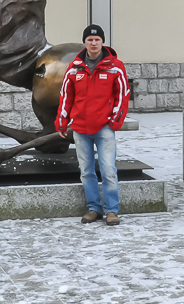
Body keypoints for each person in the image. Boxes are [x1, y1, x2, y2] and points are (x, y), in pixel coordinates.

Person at [55, 24, 130, 225]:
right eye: (90, 40)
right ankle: (93, 208)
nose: (94, 43)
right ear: (85, 42)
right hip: (80, 128)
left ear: (102, 42)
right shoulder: (74, 68)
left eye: (97, 40)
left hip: (104, 127)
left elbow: (122, 95)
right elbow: (65, 96)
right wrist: (62, 122)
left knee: (108, 170)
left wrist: (116, 120)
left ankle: (112, 210)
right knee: (86, 171)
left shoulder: (115, 66)